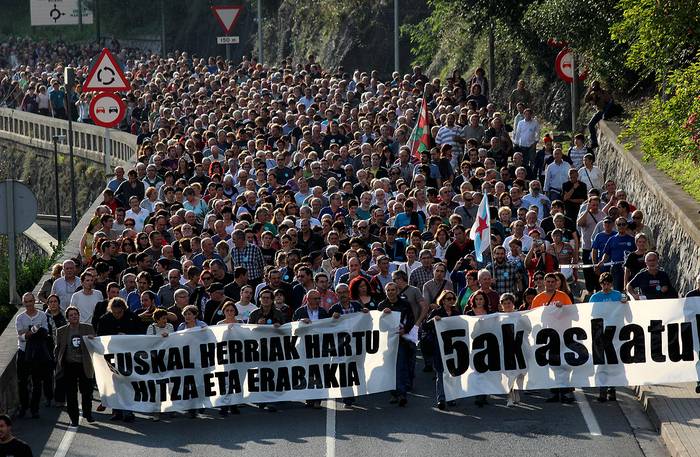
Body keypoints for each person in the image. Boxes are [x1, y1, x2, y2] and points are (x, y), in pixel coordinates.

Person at [589, 272, 628, 402]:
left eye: (608, 284)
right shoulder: (595, 297)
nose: (605, 287)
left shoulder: (618, 295)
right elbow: (590, 314)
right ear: (600, 284)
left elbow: (627, 311)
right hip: (600, 333)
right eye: (603, 284)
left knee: (614, 362)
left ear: (611, 284)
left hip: (615, 333)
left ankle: (612, 388)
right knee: (601, 362)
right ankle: (602, 388)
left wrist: (624, 302)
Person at [54, 306, 95, 426]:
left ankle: (88, 413)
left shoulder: (88, 328)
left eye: (75, 314)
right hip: (68, 365)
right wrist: (57, 362)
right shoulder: (61, 331)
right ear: (67, 318)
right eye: (71, 315)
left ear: (79, 315)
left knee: (86, 392)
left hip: (84, 364)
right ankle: (74, 418)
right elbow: (58, 348)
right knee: (71, 394)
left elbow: (95, 345)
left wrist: (93, 339)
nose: (74, 316)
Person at [379, 282, 416, 407]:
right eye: (388, 290)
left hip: (402, 340)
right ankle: (394, 393)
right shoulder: (382, 305)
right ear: (385, 292)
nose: (390, 292)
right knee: (390, 367)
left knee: (401, 366)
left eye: (393, 290)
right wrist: (382, 314)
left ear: (397, 291)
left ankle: (402, 394)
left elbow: (411, 319)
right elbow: (378, 325)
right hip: (388, 342)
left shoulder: (405, 304)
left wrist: (404, 330)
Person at [15, 292, 50, 419]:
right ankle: (24, 407)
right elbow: (21, 336)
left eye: (31, 301)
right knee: (22, 382)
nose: (29, 304)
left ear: (34, 301)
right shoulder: (20, 318)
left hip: (37, 354)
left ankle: (35, 409)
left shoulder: (41, 315)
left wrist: (29, 332)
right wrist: (33, 331)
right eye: (26, 302)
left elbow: (44, 333)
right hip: (24, 352)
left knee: (37, 382)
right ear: (23, 303)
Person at [425, 290, 460, 410]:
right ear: (443, 300)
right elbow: (425, 326)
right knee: (440, 372)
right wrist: (433, 320)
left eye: (452, 299)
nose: (450, 301)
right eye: (448, 299)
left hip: (453, 346)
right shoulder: (436, 312)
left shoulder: (456, 313)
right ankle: (441, 398)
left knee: (452, 372)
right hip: (439, 346)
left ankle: (451, 397)